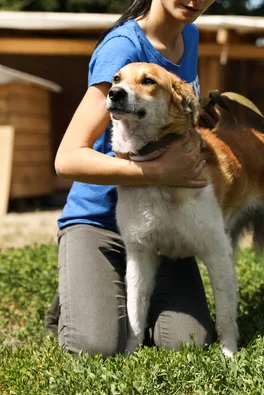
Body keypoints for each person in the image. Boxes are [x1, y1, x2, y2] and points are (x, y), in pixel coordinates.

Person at [44, 0, 221, 358]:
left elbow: (161, 119)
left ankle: (119, 295)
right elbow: (66, 159)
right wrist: (157, 172)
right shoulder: (122, 47)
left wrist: (197, 116)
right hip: (100, 222)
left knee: (189, 344)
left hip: (163, 224)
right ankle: (79, 292)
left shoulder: (189, 35)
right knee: (96, 347)